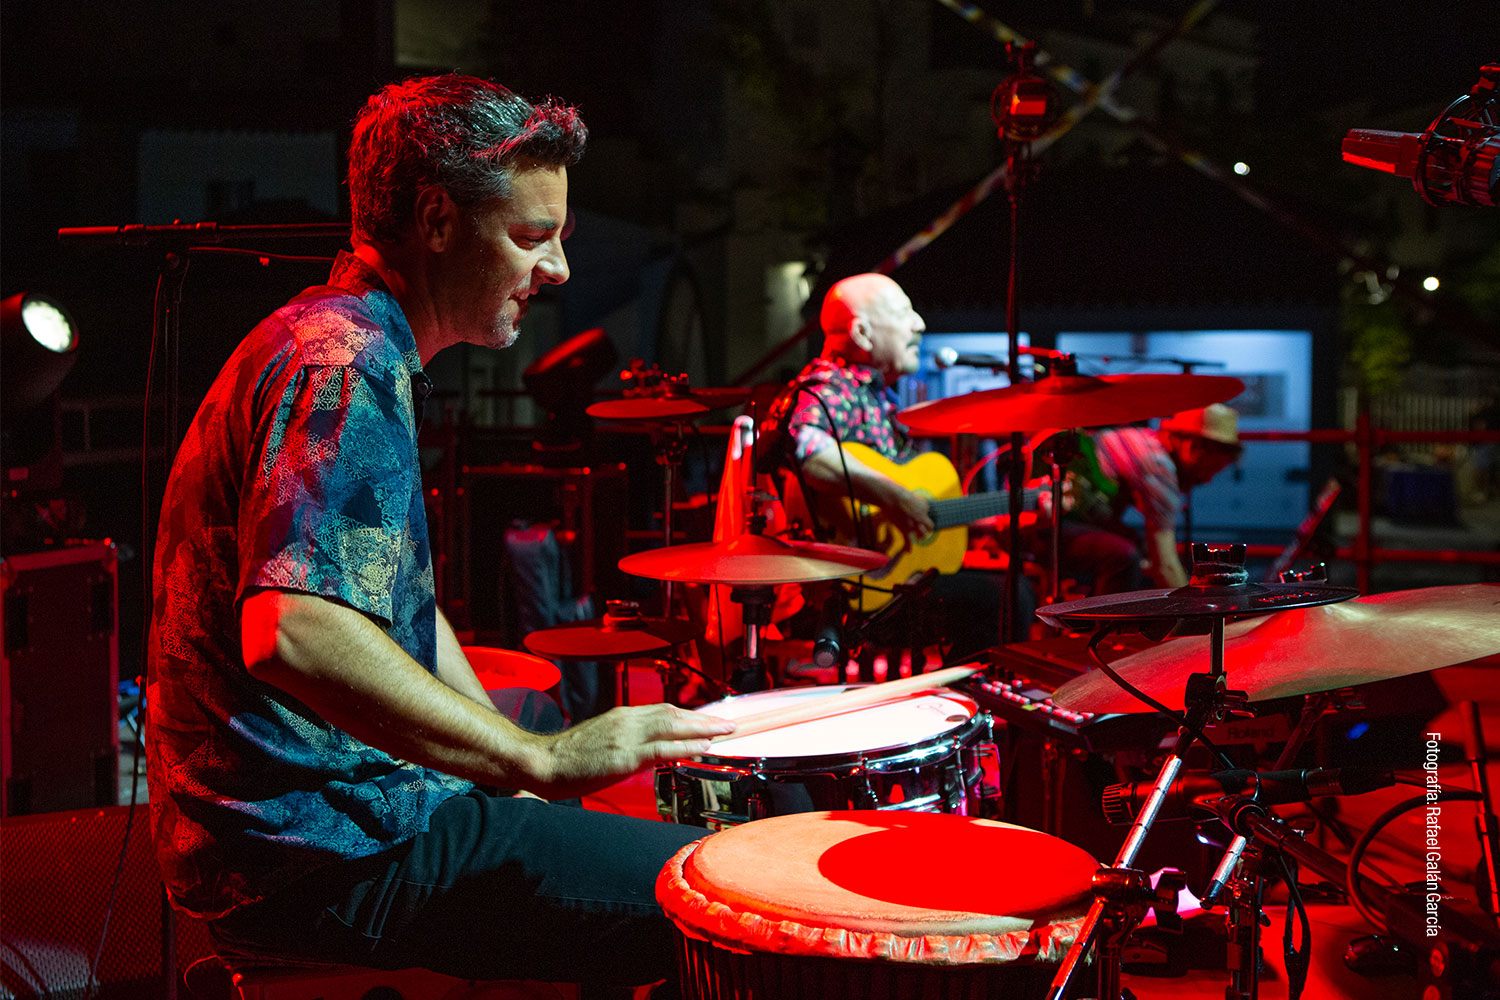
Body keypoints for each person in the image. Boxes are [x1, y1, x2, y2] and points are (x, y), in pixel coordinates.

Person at [144, 74, 734, 992]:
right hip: (314, 854)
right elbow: (293, 629)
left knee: (537, 736)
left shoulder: (333, 335)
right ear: (437, 219)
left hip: (303, 829)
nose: (560, 272)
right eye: (533, 238)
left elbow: (393, 601)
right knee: (716, 902)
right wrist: (536, 758)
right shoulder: (345, 362)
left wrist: (511, 763)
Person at [762, 272, 1032, 669]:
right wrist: (895, 497)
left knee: (1004, 590)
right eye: (903, 312)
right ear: (862, 333)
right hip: (850, 595)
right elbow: (804, 446)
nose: (920, 324)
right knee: (1007, 596)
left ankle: (967, 705)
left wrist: (989, 519)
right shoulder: (831, 388)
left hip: (888, 580)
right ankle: (980, 711)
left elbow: (916, 509)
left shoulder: (873, 398)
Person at [1041, 402, 1242, 592]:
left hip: (1060, 518)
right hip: (1047, 524)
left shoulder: (1144, 440)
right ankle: (1108, 626)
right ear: (1194, 448)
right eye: (1212, 469)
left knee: (1131, 544)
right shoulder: (1158, 467)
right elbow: (1165, 565)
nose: (1207, 480)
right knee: (1123, 556)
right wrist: (1196, 615)